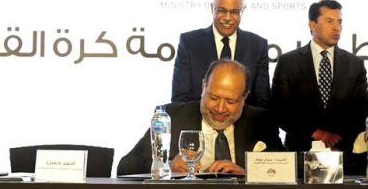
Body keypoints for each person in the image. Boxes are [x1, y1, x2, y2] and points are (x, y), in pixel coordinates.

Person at [119, 59, 282, 176]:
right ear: (203, 87)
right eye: (214, 98)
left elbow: (287, 171)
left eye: (230, 101)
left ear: (244, 97)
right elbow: (125, 167)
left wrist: (247, 174)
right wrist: (168, 166)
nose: (220, 109)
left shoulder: (261, 122)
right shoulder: (172, 117)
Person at [270, 0, 368, 175]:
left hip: (345, 159)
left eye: (339, 22)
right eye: (329, 21)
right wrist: (314, 132)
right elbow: (279, 111)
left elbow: (362, 111)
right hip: (299, 158)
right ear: (312, 25)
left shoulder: (355, 64)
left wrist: (336, 140)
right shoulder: (288, 62)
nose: (337, 28)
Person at [171, 0, 271, 108]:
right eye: (221, 10)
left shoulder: (257, 46)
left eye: (234, 12)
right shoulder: (189, 43)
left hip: (245, 120)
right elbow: (180, 101)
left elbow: (262, 103)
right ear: (212, 8)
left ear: (243, 10)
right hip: (199, 120)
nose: (227, 18)